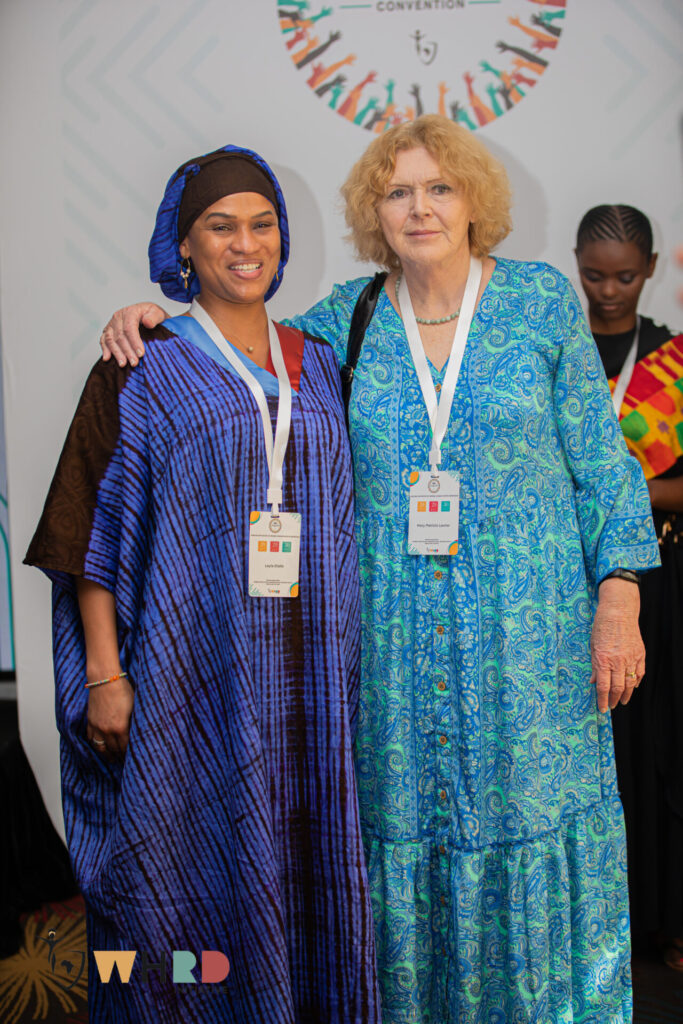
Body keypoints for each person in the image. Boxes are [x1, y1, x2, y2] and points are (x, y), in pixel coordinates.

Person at [100, 116, 659, 1023]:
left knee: (526, 835)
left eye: (438, 187)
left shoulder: (540, 302)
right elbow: (239, 345)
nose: (419, 206)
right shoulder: (340, 324)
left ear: (474, 199)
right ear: (373, 213)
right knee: (403, 846)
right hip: (394, 666)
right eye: (397, 192)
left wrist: (619, 598)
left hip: (531, 658)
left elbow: (602, 464)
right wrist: (153, 314)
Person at [25, 145, 380, 1023]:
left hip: (310, 699)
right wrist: (106, 677)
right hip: (194, 687)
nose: (244, 243)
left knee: (305, 873)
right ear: (182, 247)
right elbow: (83, 532)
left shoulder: (321, 362)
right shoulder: (142, 364)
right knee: (178, 881)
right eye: (220, 227)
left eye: (262, 224)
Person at [576, 204, 683, 971]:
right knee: (592, 745)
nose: (607, 290)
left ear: (649, 270)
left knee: (663, 744)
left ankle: (669, 915)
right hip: (570, 575)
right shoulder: (556, 351)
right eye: (592, 274)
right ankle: (595, 912)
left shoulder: (675, 362)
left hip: (663, 575)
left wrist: (612, 492)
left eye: (622, 275)